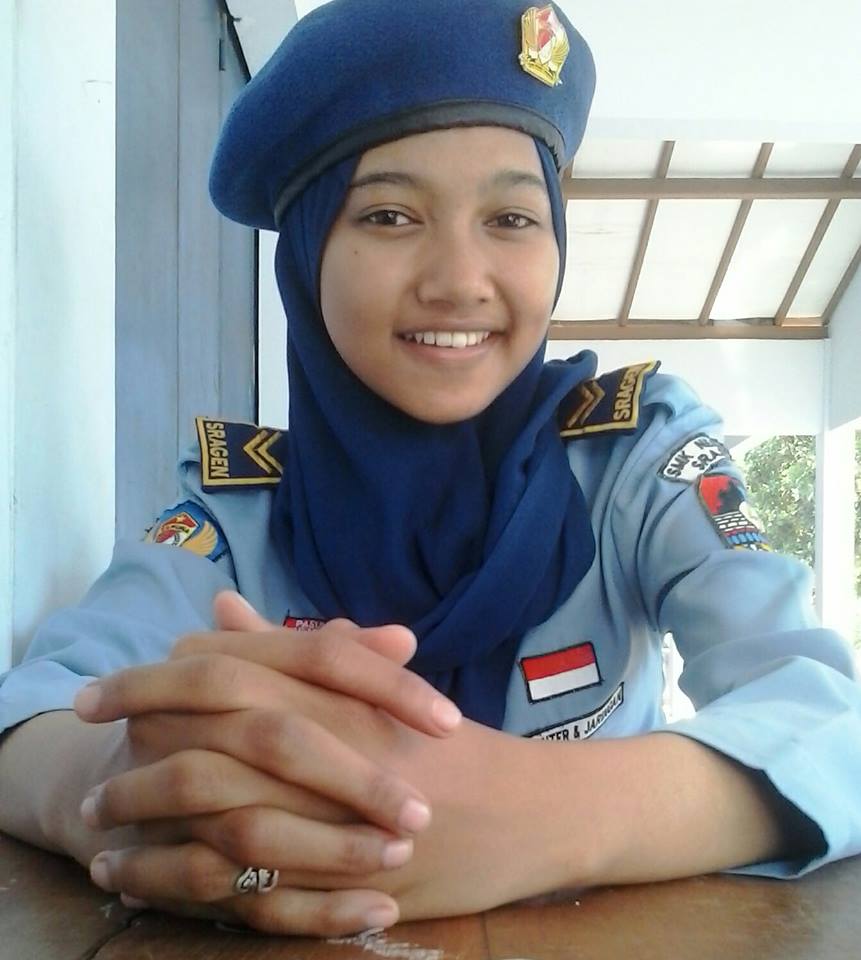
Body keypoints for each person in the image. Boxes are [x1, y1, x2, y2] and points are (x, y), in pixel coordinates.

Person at [1, 0, 860, 940]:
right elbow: (33, 716)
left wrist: (541, 813)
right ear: (306, 256)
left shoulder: (631, 464)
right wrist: (127, 792)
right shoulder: (237, 519)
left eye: (511, 217)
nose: (458, 280)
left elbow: (830, 721)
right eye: (389, 214)